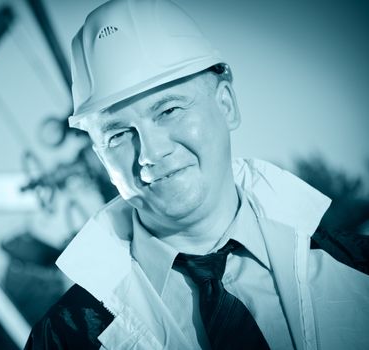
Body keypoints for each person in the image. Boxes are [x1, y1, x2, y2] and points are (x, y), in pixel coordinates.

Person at [25, 0, 369, 348]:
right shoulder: (64, 339)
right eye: (117, 134)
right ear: (100, 155)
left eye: (169, 110)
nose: (151, 152)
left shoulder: (358, 268)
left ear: (226, 105)